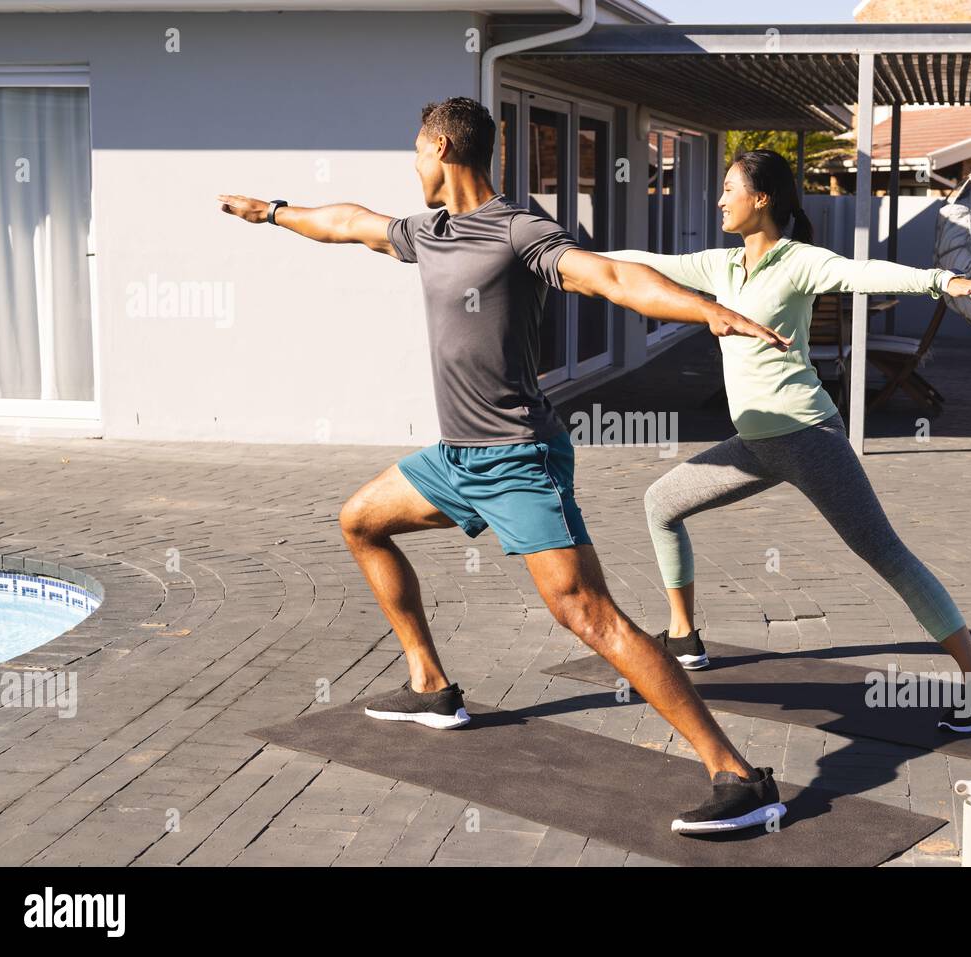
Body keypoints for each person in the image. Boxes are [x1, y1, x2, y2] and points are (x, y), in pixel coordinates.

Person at [217, 98, 790, 833]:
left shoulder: (518, 230)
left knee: (587, 614)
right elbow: (348, 223)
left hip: (519, 457)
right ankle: (430, 685)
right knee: (361, 521)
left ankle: (738, 775)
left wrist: (706, 310)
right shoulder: (429, 232)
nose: (413, 165)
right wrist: (271, 212)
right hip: (456, 457)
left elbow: (609, 277)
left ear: (441, 148)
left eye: (416, 150)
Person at [602, 148, 971, 732]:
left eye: (729, 189)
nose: (719, 200)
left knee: (886, 554)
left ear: (761, 198)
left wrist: (941, 281)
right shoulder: (721, 266)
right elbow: (644, 262)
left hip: (808, 437)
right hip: (754, 445)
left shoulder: (797, 263)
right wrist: (561, 255)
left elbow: (863, 273)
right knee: (660, 503)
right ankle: (684, 636)